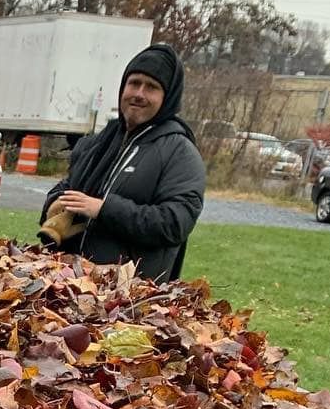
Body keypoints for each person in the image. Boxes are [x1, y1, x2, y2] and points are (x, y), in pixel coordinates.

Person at [38, 42, 206, 282]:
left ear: (167, 97)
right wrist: (56, 203)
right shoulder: (100, 142)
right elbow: (68, 186)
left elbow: (174, 223)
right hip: (70, 283)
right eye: (134, 83)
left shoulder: (179, 152)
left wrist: (103, 209)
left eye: (151, 87)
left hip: (128, 298)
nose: (139, 93)